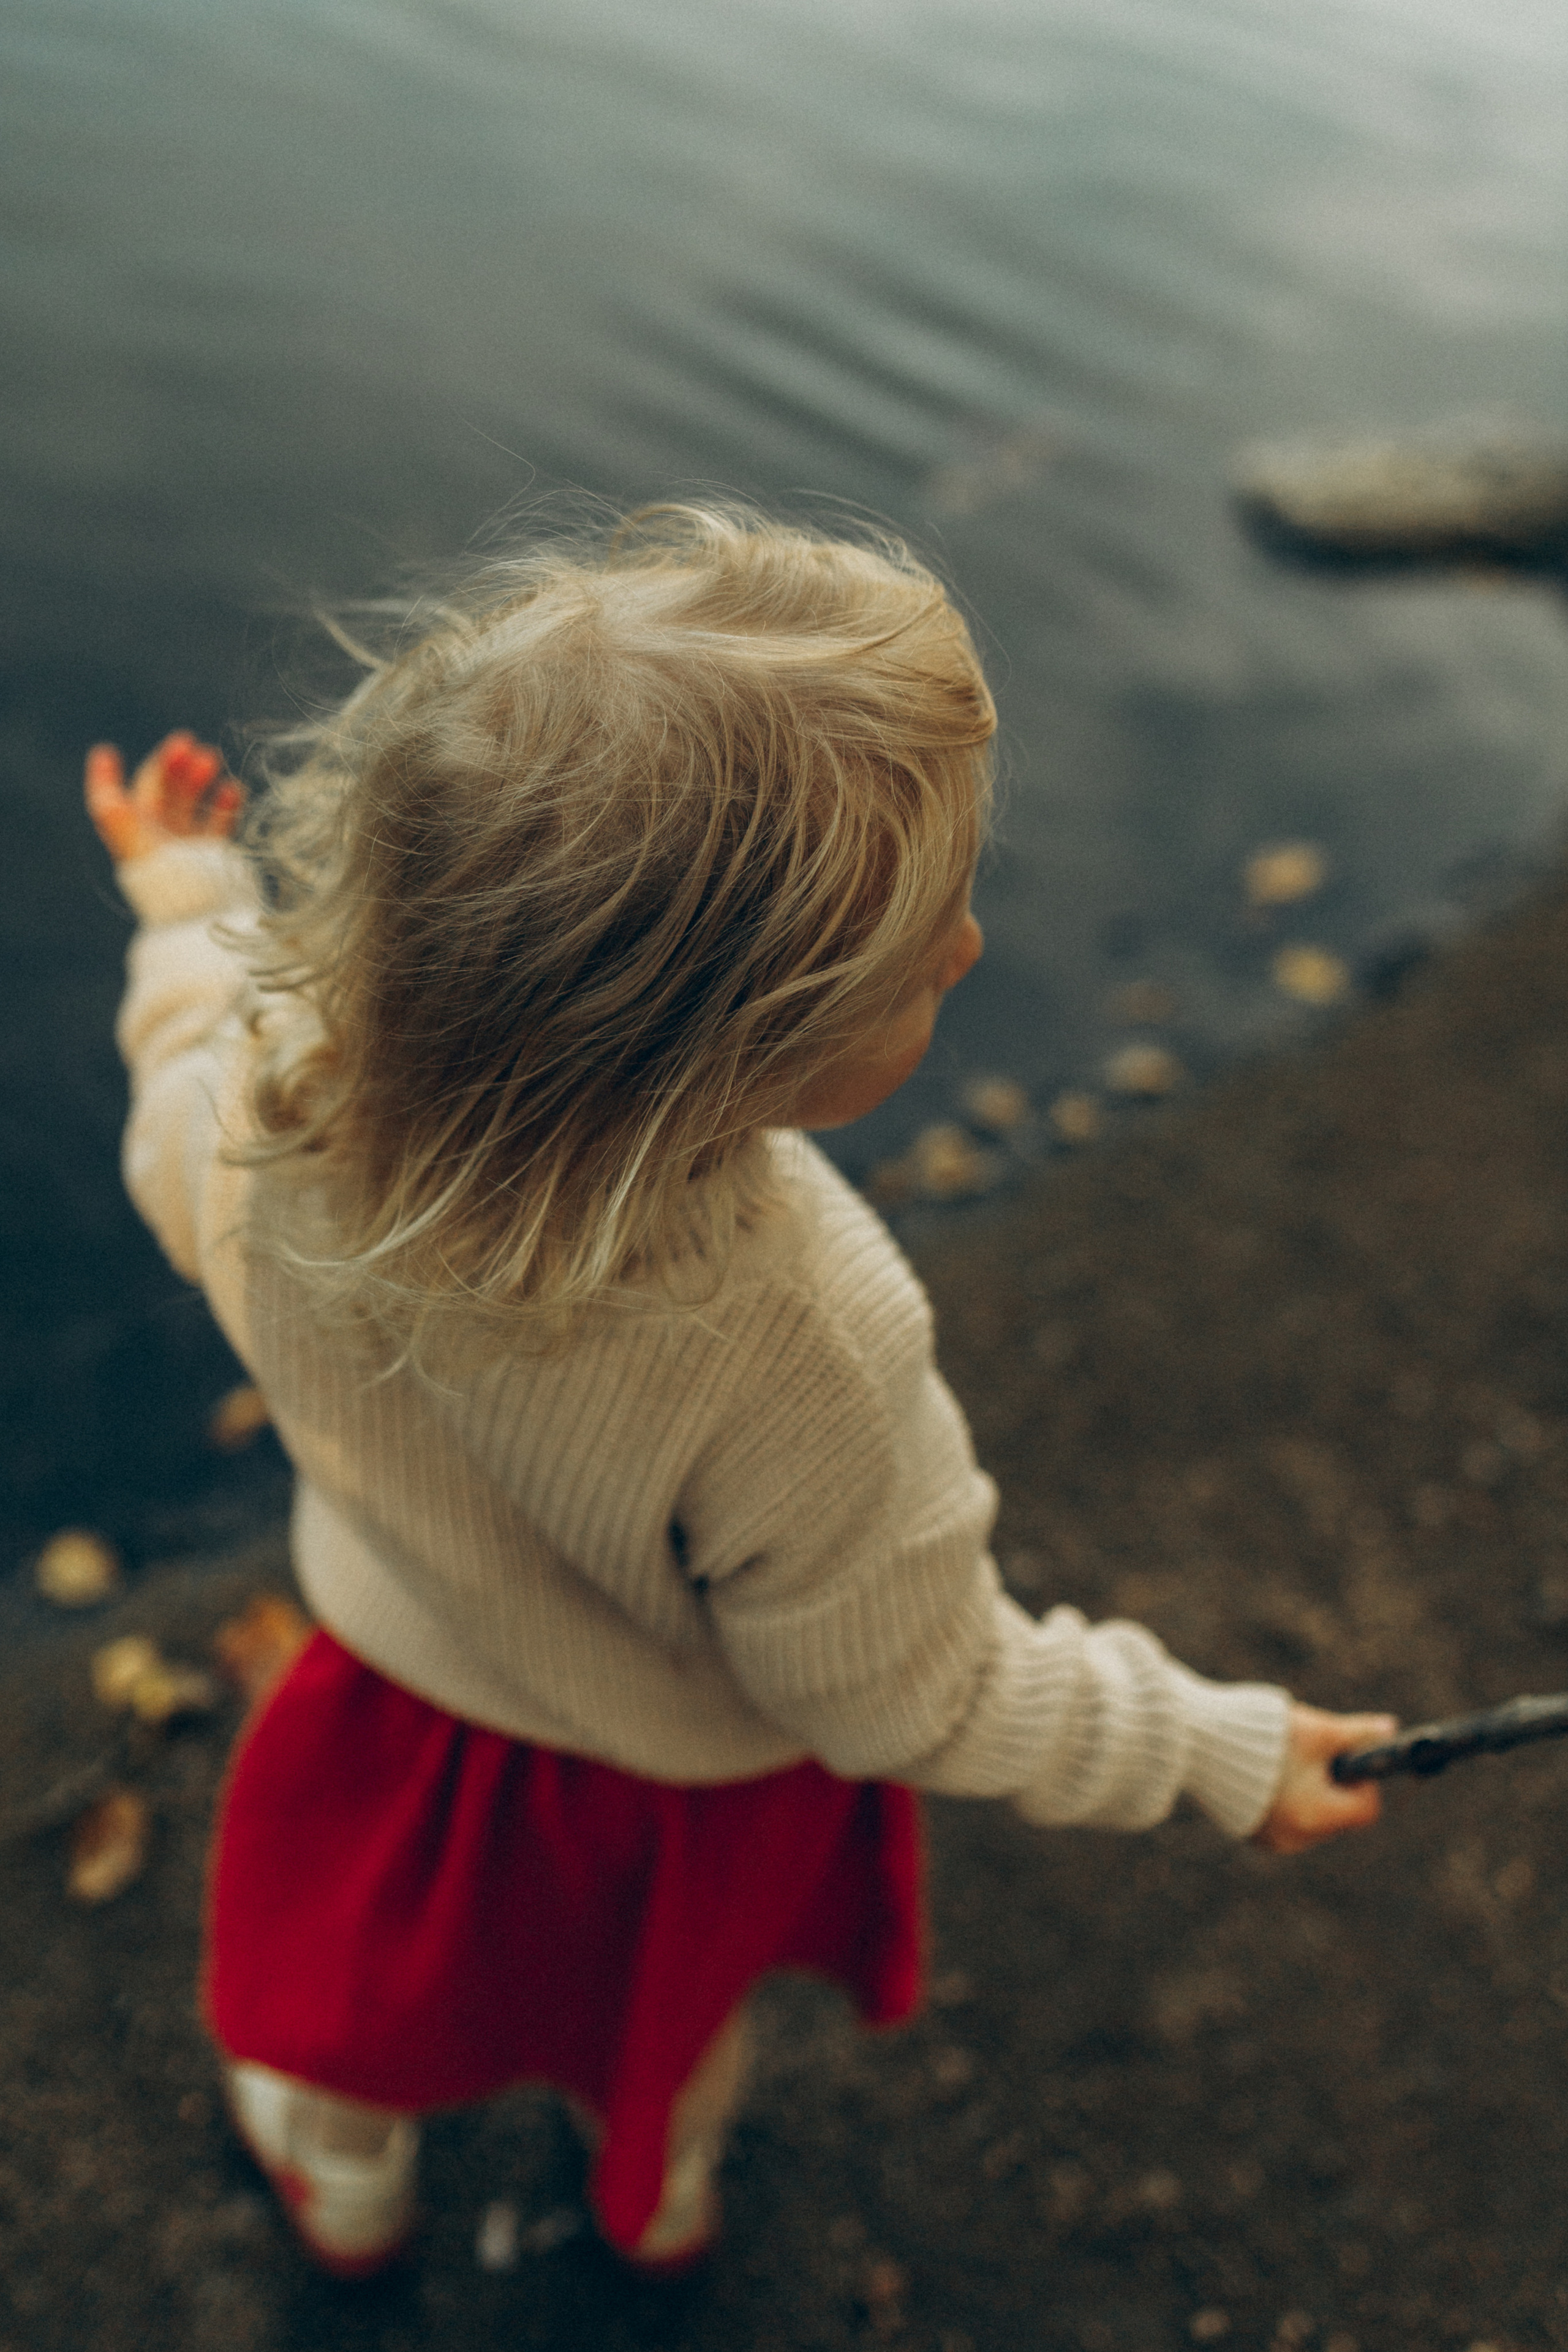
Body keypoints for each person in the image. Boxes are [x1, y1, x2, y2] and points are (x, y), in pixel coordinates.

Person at [88, 505, 1393, 2282]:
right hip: (668, 1808)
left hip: (395, 1713)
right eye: (923, 934)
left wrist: (185, 909)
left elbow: (188, 1058)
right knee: (661, 2029)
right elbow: (920, 1689)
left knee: (352, 2006)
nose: (967, 952)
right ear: (716, 1054)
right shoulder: (802, 1338)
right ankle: (666, 2195)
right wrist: (1219, 1750)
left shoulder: (275, 1099)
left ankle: (345, 2185)